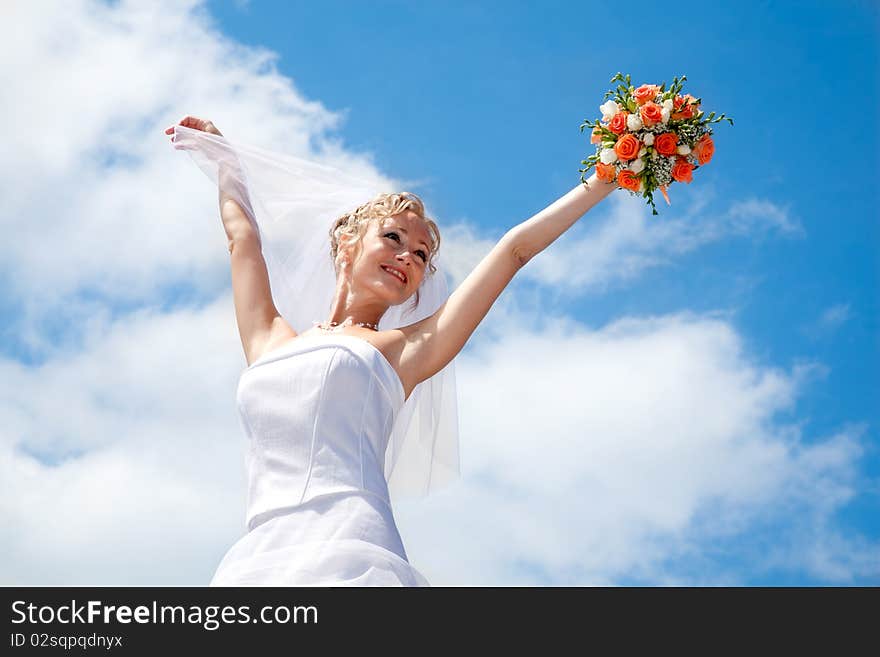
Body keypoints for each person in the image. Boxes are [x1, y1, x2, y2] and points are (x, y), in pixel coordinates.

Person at [165, 115, 617, 586]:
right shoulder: (268, 338)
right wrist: (226, 164)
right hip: (260, 553)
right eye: (395, 238)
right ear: (346, 242)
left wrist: (608, 174)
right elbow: (243, 240)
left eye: (421, 255)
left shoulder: (403, 350)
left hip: (351, 546)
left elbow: (514, 251)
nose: (408, 256)